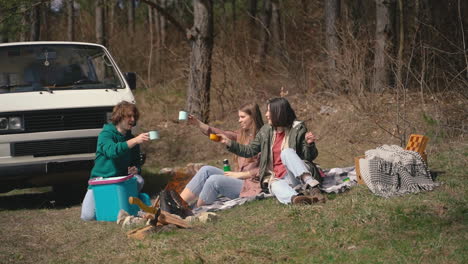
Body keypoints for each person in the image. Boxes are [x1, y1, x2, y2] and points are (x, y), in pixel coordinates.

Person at [219, 97, 324, 205]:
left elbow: (308, 157)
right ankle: (297, 199)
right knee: (274, 185)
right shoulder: (266, 131)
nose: (266, 114)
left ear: (278, 112)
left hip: (297, 175)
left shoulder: (297, 129)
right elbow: (249, 150)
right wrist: (229, 143)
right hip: (279, 178)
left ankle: (312, 186)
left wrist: (309, 144)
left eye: (269, 111)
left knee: (286, 152)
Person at [179, 103, 264, 207]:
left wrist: (240, 175)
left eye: (242, 117)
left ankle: (195, 210)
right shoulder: (241, 135)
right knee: (206, 170)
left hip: (252, 185)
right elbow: (219, 132)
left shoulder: (264, 137)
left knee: (214, 180)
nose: (239, 120)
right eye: (239, 117)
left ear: (253, 117)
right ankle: (178, 204)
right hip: (238, 179)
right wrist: (198, 123)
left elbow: (268, 169)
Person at [81, 101, 149, 221]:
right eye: (129, 116)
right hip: (100, 180)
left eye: (134, 117)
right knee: (88, 216)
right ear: (119, 116)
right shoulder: (105, 134)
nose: (133, 120)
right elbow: (112, 151)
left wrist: (135, 169)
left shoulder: (132, 139)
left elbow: (136, 162)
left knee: (139, 180)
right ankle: (112, 205)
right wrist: (134, 141)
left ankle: (133, 204)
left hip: (121, 181)